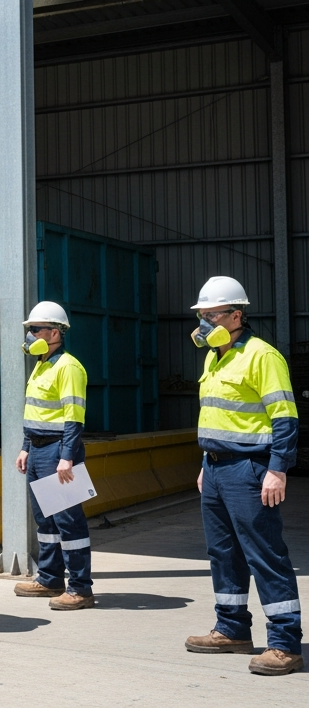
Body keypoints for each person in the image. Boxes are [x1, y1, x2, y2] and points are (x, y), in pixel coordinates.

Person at [183, 276, 302, 675]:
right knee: (223, 554)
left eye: (211, 314)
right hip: (216, 469)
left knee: (264, 555)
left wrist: (278, 471)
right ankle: (232, 630)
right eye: (201, 314)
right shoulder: (213, 356)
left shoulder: (262, 356)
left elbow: (285, 418)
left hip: (250, 470)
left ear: (236, 315)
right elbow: (217, 416)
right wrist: (206, 465)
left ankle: (285, 643)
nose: (203, 321)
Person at [10, 301, 94, 610]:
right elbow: (35, 412)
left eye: (35, 329)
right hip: (38, 450)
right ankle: (49, 578)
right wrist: (25, 447)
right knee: (45, 521)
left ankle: (81, 589)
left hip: (59, 450)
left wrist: (67, 456)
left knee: (69, 522)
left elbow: (74, 418)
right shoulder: (42, 365)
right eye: (29, 330)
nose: (30, 335)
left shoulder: (68, 366)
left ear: (55, 332)